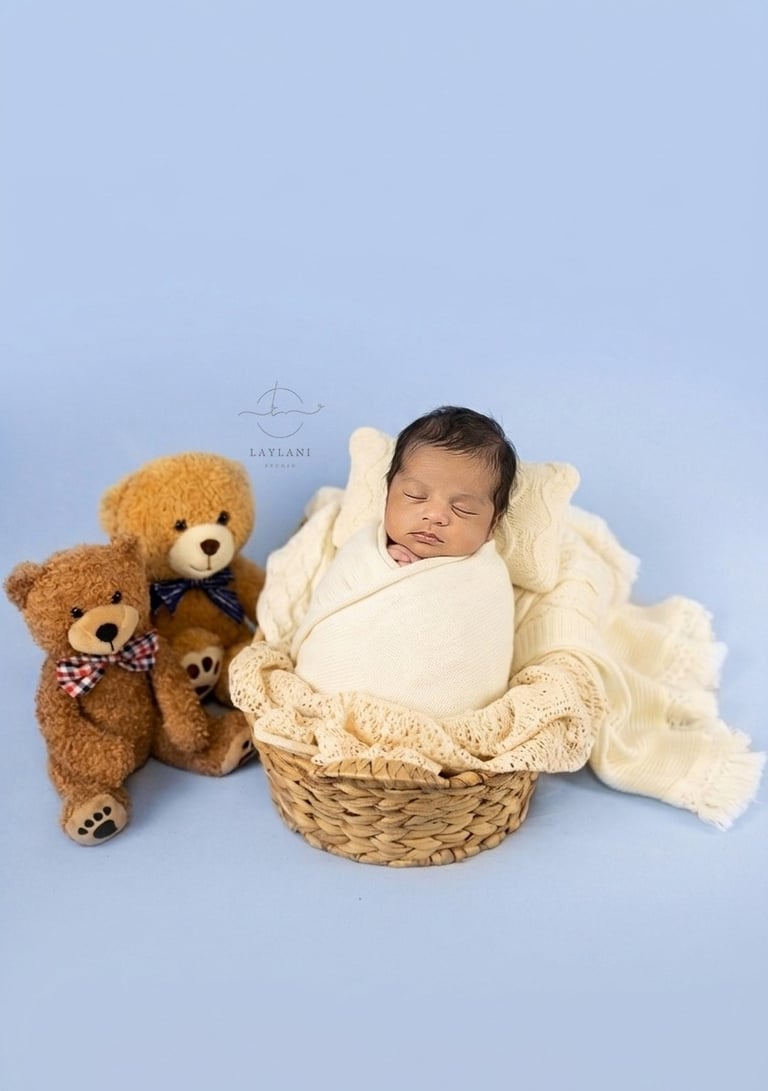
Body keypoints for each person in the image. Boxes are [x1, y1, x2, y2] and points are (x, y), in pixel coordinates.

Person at [289, 406, 519, 718]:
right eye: (415, 495)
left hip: (441, 721)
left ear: (493, 523)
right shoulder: (364, 549)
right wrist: (386, 567)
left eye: (462, 509)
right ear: (387, 495)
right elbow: (328, 611)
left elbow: (478, 649)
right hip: (331, 700)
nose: (435, 516)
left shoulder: (485, 579)